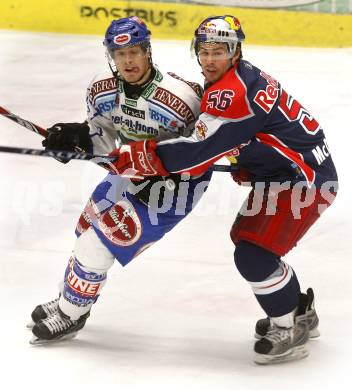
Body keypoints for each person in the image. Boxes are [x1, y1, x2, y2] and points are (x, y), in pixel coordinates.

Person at [108, 15, 338, 364]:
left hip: (305, 180)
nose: (211, 59)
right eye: (205, 50)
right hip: (288, 172)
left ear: (236, 52)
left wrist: (140, 155)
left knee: (254, 255)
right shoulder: (239, 78)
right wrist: (253, 160)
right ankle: (298, 310)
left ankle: (288, 328)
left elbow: (197, 150)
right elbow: (252, 134)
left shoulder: (233, 92)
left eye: (220, 51)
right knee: (247, 239)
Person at [29, 16, 212, 344]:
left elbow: (205, 153)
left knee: (95, 245)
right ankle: (70, 299)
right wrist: (78, 139)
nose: (127, 61)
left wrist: (172, 174)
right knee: (86, 228)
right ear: (110, 56)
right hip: (129, 173)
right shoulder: (101, 89)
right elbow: (105, 143)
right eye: (119, 54)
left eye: (135, 52)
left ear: (147, 52)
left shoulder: (182, 101)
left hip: (169, 191)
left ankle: (70, 316)